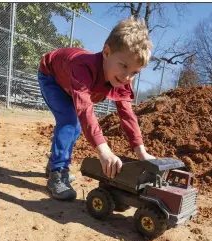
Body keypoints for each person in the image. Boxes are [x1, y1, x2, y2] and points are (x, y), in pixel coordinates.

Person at [37, 17, 155, 201]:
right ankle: (58, 172)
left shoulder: (123, 81)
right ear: (106, 52)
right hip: (52, 77)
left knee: (74, 127)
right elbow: (85, 110)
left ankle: (54, 164)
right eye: (123, 66)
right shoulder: (84, 67)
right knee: (70, 122)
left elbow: (128, 115)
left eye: (134, 72)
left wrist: (141, 152)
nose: (126, 77)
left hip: (70, 85)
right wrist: (104, 151)